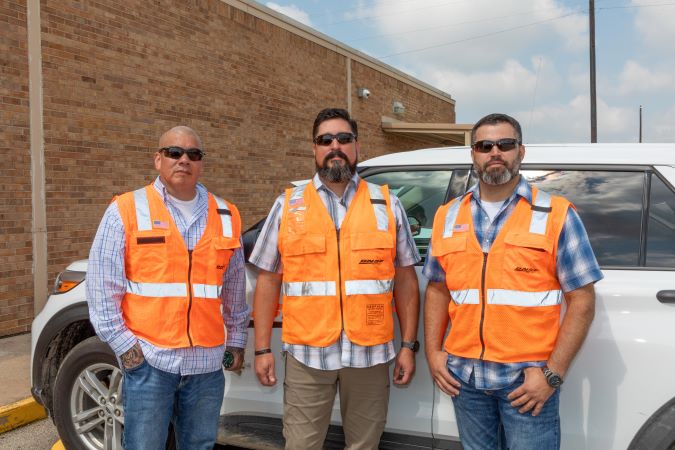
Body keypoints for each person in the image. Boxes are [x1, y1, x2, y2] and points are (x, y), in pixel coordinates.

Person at [423, 113, 603, 450]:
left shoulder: (556, 214)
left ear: (521, 151)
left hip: (527, 382)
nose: (495, 152)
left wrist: (552, 374)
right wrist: (433, 353)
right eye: (484, 145)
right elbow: (437, 288)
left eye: (505, 144)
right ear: (473, 154)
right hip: (466, 379)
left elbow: (582, 301)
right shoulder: (447, 215)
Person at [251, 108, 421, 450]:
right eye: (325, 140)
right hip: (308, 355)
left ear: (357, 146)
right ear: (314, 149)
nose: (335, 146)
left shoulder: (388, 204)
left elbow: (405, 280)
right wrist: (262, 348)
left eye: (344, 138)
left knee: (364, 446)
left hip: (369, 356)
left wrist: (408, 346)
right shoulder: (288, 205)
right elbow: (268, 279)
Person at [87, 126, 250, 450]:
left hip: (206, 369)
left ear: (201, 163)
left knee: (200, 446)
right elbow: (102, 291)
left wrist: (236, 342)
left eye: (193, 154)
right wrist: (129, 353)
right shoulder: (126, 210)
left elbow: (233, 288)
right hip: (150, 364)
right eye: (174, 153)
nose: (184, 160)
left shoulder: (226, 214)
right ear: (158, 160)